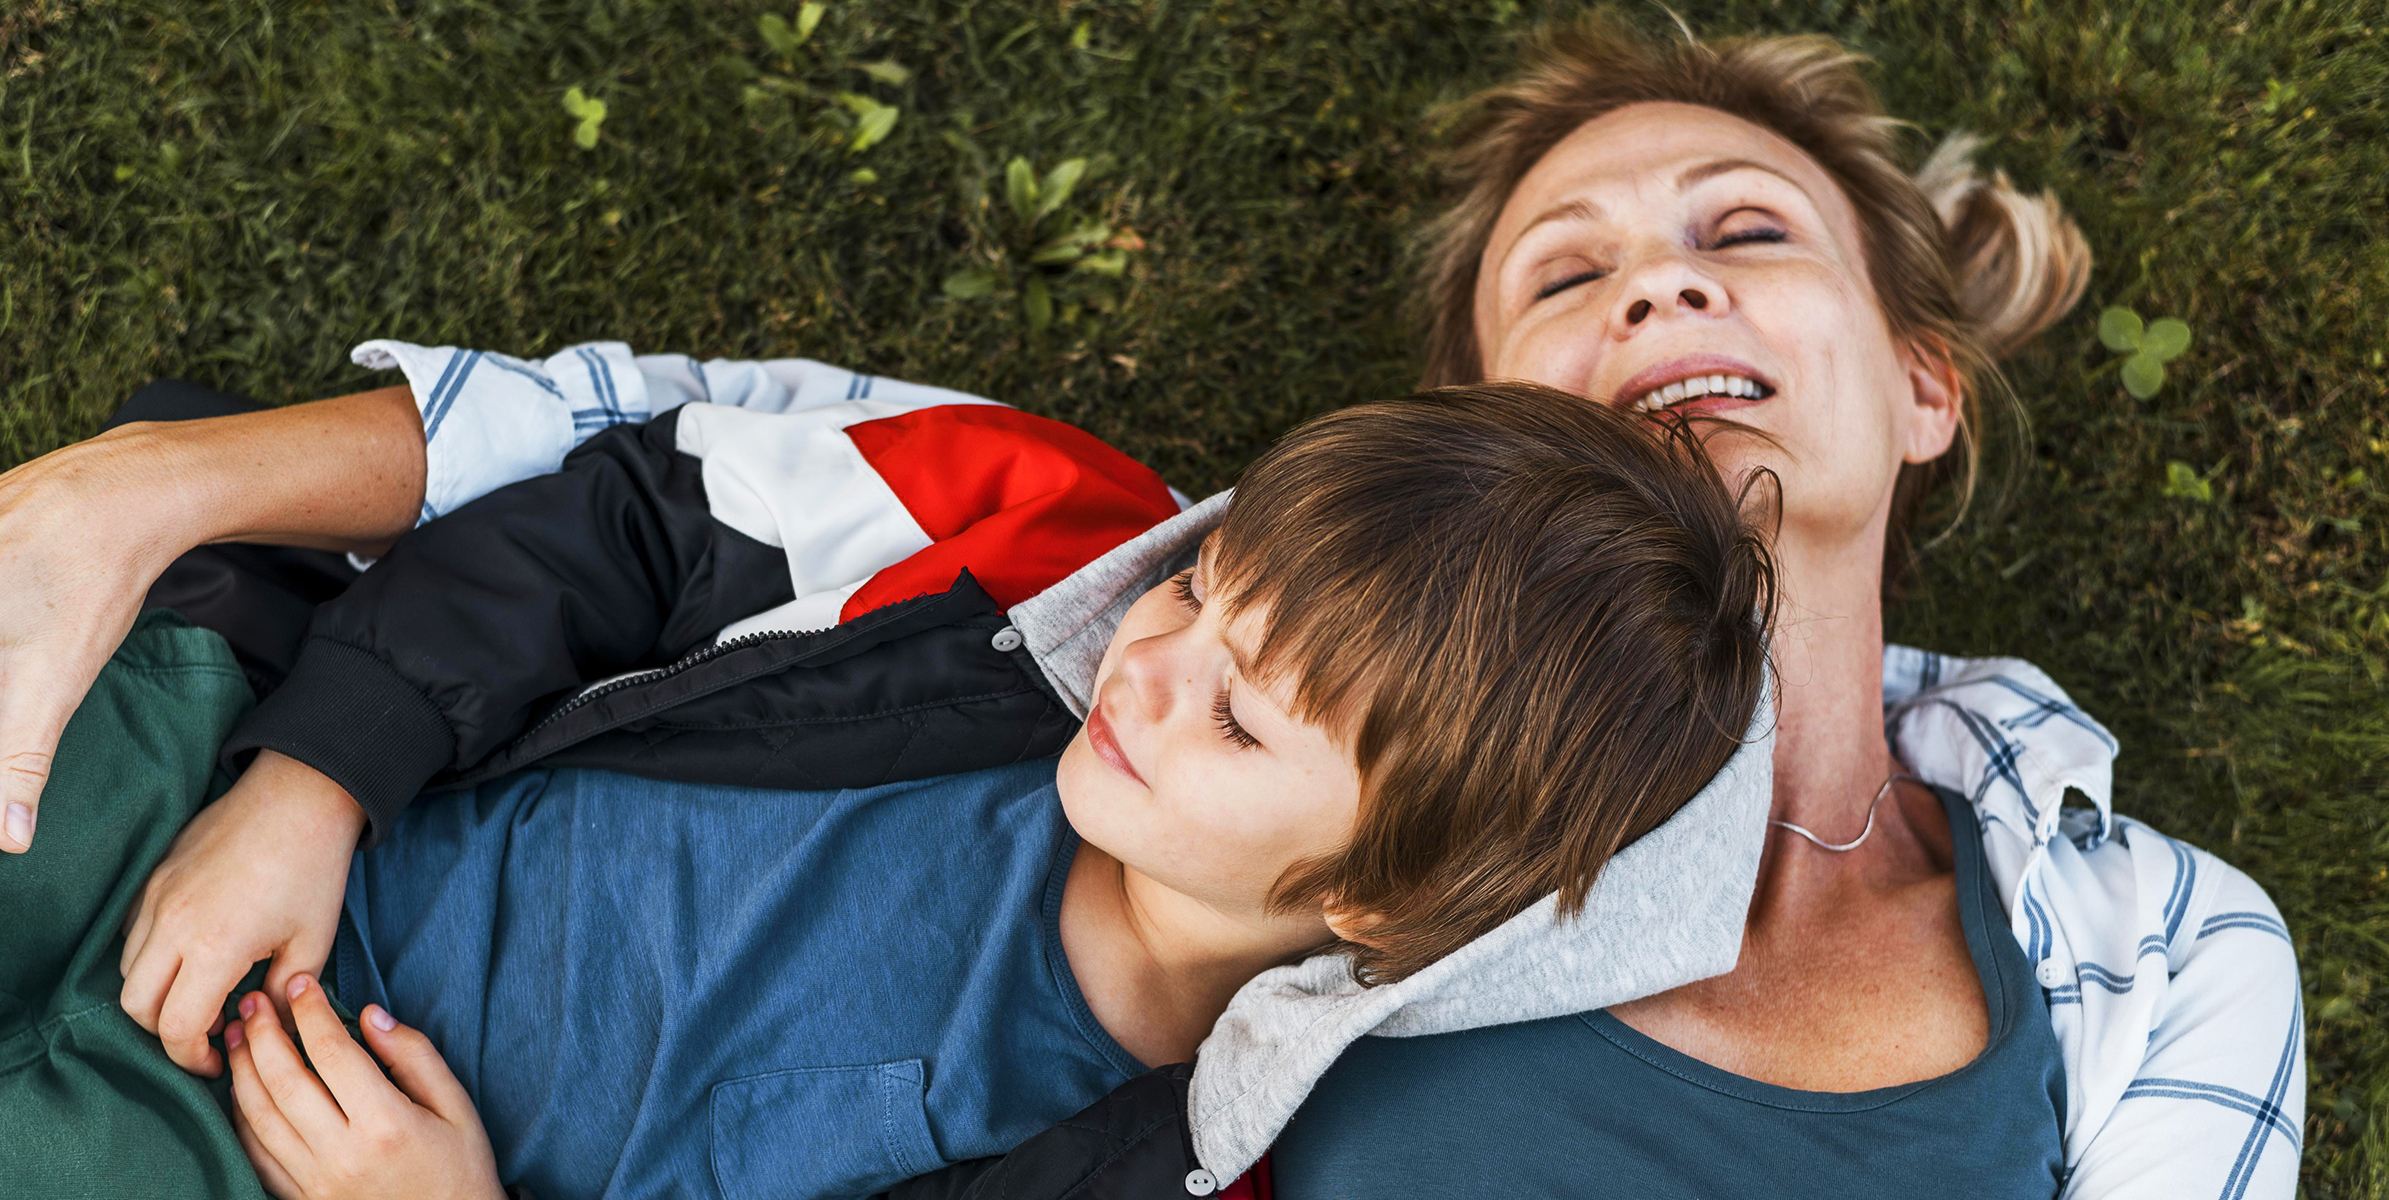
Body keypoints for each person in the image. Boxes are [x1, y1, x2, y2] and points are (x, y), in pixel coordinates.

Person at [0, 10, 2301, 1198]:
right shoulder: (1122, 577)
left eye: (1750, 235)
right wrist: (172, 541)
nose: (1663, 284)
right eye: (1571, 274)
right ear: (1461, 422)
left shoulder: (2146, 946)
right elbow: (657, 453)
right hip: (271, 827)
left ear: (1915, 385)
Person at [6, 383, 1779, 1198]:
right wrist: (314, 780)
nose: (1141, 670)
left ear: (1377, 903)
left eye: (1242, 723)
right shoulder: (998, 599)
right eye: (1193, 593)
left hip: (253, 1155)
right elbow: (633, 517)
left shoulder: (1130, 1171)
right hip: (224, 774)